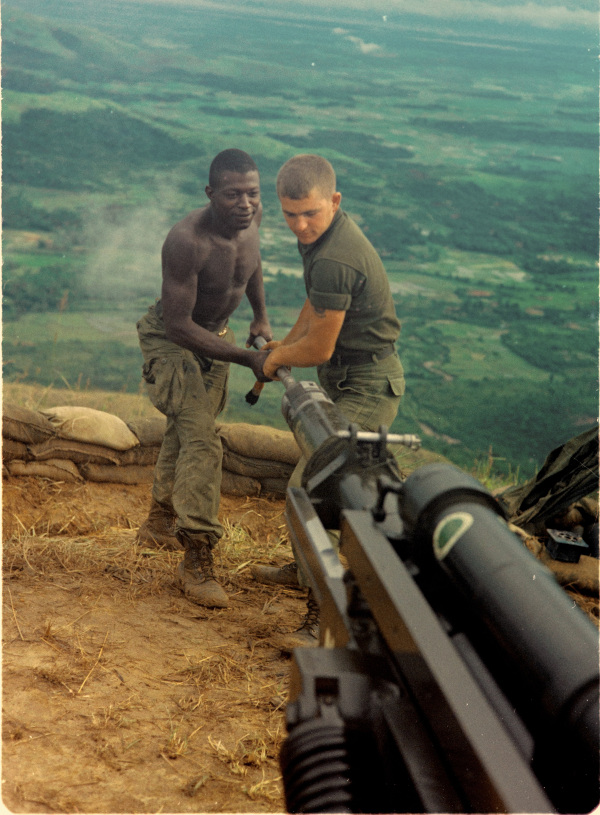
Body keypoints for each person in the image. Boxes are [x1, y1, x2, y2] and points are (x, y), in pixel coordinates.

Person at [251, 153, 405, 647]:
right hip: (344, 379)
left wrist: (282, 358)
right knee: (316, 484)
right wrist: (285, 343)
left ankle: (321, 618)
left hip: (367, 384)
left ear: (334, 201)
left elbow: (320, 347)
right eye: (289, 214)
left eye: (310, 213)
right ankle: (307, 573)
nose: (299, 224)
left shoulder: (336, 256)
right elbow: (315, 307)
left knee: (311, 489)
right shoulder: (323, 238)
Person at [136, 148, 272, 609]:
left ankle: (158, 520)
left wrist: (260, 318)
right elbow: (176, 325)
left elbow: (249, 266)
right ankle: (196, 558)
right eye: (233, 194)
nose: (246, 204)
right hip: (172, 339)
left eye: (252, 193)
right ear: (210, 193)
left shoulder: (251, 221)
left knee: (190, 426)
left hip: (216, 336)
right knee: (201, 439)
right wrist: (243, 358)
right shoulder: (186, 240)